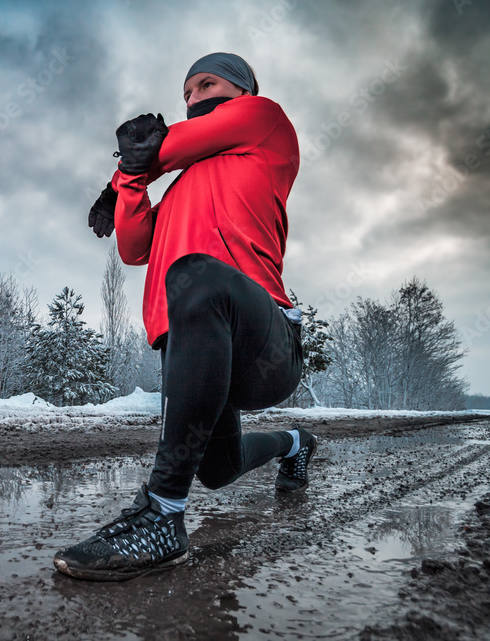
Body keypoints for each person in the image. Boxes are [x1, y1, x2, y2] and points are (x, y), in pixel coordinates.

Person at [54, 52, 317, 582]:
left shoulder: (265, 123)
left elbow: (164, 147)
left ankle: (162, 515)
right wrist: (128, 185)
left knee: (194, 274)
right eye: (187, 93)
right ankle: (296, 442)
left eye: (207, 84)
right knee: (219, 469)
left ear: (242, 90)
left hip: (264, 344)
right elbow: (132, 247)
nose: (195, 98)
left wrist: (119, 175)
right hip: (196, 342)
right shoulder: (175, 190)